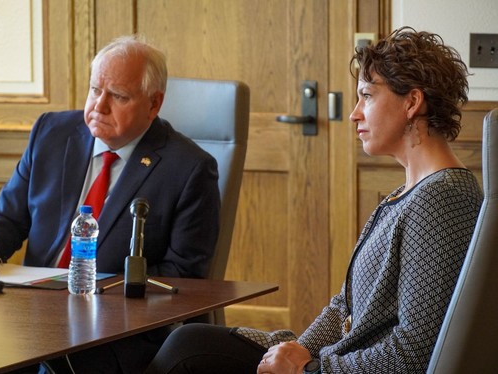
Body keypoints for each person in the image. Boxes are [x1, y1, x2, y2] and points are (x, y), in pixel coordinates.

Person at [145, 27, 483, 374]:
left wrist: (307, 369)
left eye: (367, 95)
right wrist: (295, 351)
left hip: (337, 368)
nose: (354, 113)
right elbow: (343, 308)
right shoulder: (408, 193)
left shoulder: (443, 200)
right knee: (189, 342)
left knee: (186, 354)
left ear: (412, 102)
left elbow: (415, 353)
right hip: (329, 360)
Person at [0, 35, 220, 373]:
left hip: (112, 334)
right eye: (95, 90)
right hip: (29, 314)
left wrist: (98, 297)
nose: (99, 106)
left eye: (118, 96)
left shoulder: (190, 168)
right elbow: (8, 216)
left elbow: (185, 279)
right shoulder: (52, 132)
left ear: (154, 104)